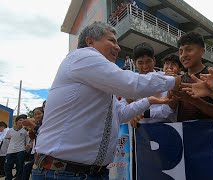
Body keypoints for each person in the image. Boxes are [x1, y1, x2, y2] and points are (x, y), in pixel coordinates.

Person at [32, 21, 181, 180]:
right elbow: (130, 84)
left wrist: (149, 101)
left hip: (89, 173)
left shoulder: (99, 78)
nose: (118, 47)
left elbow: (120, 114)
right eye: (112, 41)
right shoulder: (83, 56)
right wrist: (173, 80)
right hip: (62, 173)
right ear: (90, 42)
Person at [119, 43, 177, 128]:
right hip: (139, 131)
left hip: (164, 129)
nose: (145, 66)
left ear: (154, 60)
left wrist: (143, 114)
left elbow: (169, 108)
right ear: (135, 64)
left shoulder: (166, 78)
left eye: (148, 61)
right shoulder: (131, 82)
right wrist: (131, 115)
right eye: (140, 63)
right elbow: (123, 106)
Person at [171, 32, 213, 122]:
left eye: (189, 50)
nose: (183, 55)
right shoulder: (179, 79)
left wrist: (193, 100)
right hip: (184, 132)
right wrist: (171, 90)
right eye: (180, 52)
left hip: (211, 132)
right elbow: (172, 107)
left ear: (202, 51)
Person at [22, 107, 44, 180]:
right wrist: (31, 129)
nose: (37, 116)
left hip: (43, 152)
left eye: (39, 114)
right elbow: (32, 137)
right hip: (36, 151)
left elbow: (43, 132)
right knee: (30, 168)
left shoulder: (45, 123)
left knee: (30, 167)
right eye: (35, 114)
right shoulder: (36, 123)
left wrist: (32, 125)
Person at [5, 114, 28, 180]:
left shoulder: (25, 131)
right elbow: (8, 139)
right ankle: (8, 178)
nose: (22, 122)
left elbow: (27, 141)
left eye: (23, 121)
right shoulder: (10, 130)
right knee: (7, 166)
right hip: (10, 151)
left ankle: (18, 178)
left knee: (20, 166)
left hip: (20, 151)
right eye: (20, 120)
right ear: (16, 122)